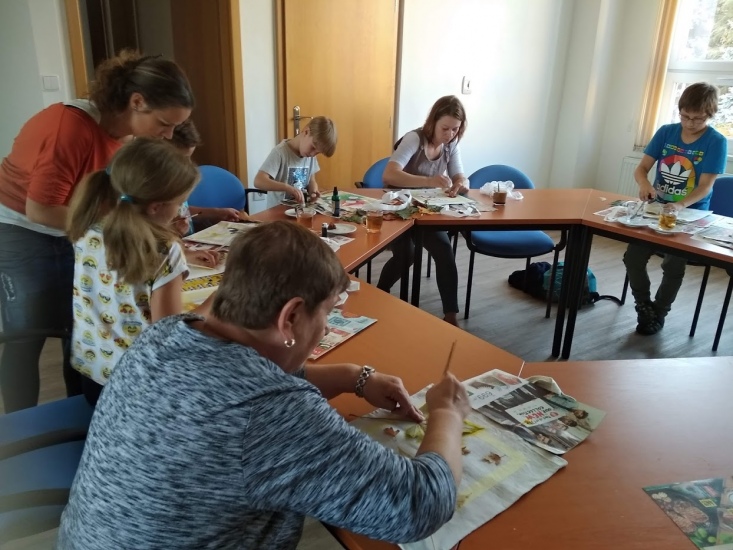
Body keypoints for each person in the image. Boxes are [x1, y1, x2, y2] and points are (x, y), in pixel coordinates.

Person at [56, 221, 470, 549]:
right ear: (290, 318)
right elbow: (420, 505)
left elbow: (243, 384)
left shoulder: (166, 333)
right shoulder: (269, 413)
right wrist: (447, 413)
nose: (326, 329)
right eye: (326, 314)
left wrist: (353, 378)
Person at [0, 50, 194, 412]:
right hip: (20, 226)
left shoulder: (126, 138)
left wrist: (142, 232)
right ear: (137, 102)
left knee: (79, 325)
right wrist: (129, 234)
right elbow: (39, 209)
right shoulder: (70, 128)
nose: (168, 136)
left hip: (74, 227)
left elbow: (116, 205)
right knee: (29, 333)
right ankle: (18, 426)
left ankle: (85, 410)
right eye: (165, 123)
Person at [66, 138, 198, 406]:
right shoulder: (165, 250)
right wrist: (215, 304)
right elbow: (168, 334)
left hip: (92, 377)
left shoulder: (88, 230)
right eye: (180, 203)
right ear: (156, 207)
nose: (180, 211)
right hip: (138, 388)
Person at [623, 82, 728, 335]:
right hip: (656, 208)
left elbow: (705, 187)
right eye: (685, 116)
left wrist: (680, 205)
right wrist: (645, 184)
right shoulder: (666, 132)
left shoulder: (716, 141)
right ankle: (643, 305)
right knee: (633, 257)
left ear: (710, 114)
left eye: (698, 119)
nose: (690, 123)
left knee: (673, 266)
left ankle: (659, 312)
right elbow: (641, 169)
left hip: (690, 213)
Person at [377, 95, 470, 326]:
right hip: (399, 208)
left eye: (455, 129)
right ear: (433, 122)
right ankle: (380, 292)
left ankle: (451, 315)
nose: (450, 134)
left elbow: (460, 176)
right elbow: (389, 175)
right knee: (407, 255)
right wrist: (428, 181)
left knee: (444, 251)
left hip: (425, 211)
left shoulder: (451, 145)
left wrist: (461, 183)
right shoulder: (414, 139)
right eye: (445, 128)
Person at [169, 119, 240, 269]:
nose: (188, 164)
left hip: (185, 249)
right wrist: (173, 235)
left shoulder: (175, 179)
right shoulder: (155, 188)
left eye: (189, 157)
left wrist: (216, 212)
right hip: (172, 255)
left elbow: (183, 210)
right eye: (182, 159)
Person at [254, 116, 336, 208]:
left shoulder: (310, 156)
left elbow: (311, 180)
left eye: (318, 152)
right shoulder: (280, 152)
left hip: (299, 210)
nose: (313, 154)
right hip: (278, 212)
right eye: (313, 147)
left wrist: (313, 191)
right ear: (306, 131)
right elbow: (258, 181)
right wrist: (287, 187)